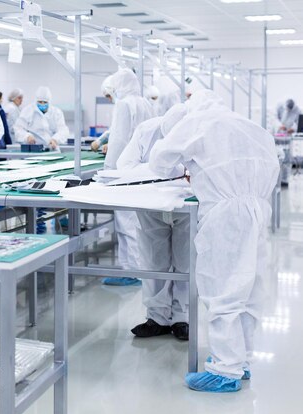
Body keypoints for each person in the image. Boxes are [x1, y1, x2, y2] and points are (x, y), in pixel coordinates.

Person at [149, 89, 280, 392]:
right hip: (258, 207)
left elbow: (158, 160)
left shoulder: (196, 121)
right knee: (248, 287)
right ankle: (241, 360)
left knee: (222, 287)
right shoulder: (246, 124)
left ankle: (225, 369)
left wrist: (186, 168)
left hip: (226, 213)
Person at [117, 104, 191, 341]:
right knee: (153, 260)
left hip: (186, 206)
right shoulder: (147, 130)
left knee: (186, 261)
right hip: (151, 204)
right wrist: (169, 171)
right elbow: (125, 166)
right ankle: (157, 318)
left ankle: (183, 317)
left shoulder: (198, 131)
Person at [102, 68, 156, 286]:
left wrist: (108, 170)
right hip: (142, 168)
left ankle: (131, 271)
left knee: (126, 222)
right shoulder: (144, 102)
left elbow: (119, 139)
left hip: (123, 172)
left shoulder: (124, 104)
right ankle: (140, 267)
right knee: (138, 222)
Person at [13, 86, 69, 151]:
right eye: (40, 102)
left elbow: (63, 130)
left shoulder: (56, 112)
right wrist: (27, 136)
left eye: (45, 102)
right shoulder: (28, 111)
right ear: (36, 100)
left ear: (49, 102)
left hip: (52, 149)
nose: (42, 104)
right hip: (33, 149)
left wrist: (55, 139)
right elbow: (18, 128)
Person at [91, 75, 114, 152]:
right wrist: (99, 142)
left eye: (108, 96)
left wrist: (111, 144)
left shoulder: (126, 105)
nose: (109, 100)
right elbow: (114, 129)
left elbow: (124, 133)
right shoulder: (119, 107)